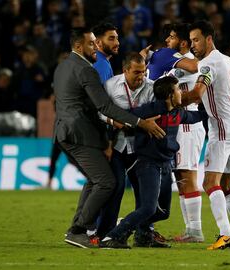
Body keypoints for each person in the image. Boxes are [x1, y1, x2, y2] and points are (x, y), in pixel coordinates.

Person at [53, 27, 165, 249]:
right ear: (78, 46)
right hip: (80, 134)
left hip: (63, 131)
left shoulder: (62, 67)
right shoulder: (87, 70)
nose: (96, 47)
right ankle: (78, 230)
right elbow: (103, 106)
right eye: (91, 43)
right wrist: (140, 122)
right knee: (106, 182)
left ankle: (80, 228)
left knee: (95, 180)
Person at [99, 76, 207, 249]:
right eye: (179, 89)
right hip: (148, 164)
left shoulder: (177, 113)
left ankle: (141, 234)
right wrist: (140, 124)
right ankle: (113, 236)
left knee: (163, 212)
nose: (182, 92)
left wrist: (219, 108)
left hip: (166, 165)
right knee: (148, 208)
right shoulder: (148, 110)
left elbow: (197, 116)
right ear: (169, 95)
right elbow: (126, 117)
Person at [182, 20, 230, 250]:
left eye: (196, 40)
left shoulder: (209, 63)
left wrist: (171, 101)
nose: (193, 45)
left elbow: (195, 94)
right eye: (191, 40)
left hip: (222, 128)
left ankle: (225, 235)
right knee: (225, 184)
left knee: (209, 182)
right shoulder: (227, 59)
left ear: (209, 39)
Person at [96, 52, 155, 239]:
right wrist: (115, 122)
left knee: (143, 192)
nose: (141, 76)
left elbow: (158, 112)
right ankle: (105, 233)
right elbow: (100, 112)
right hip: (118, 145)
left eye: (144, 71)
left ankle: (143, 234)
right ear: (125, 70)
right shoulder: (111, 85)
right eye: (136, 72)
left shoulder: (151, 87)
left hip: (142, 146)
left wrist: (142, 122)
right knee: (117, 187)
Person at [165, 23, 206, 243]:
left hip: (188, 125)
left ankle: (196, 230)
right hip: (179, 124)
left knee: (187, 175)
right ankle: (190, 230)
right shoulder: (176, 64)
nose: (167, 41)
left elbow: (195, 96)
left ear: (182, 42)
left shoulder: (191, 65)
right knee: (180, 177)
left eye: (171, 38)